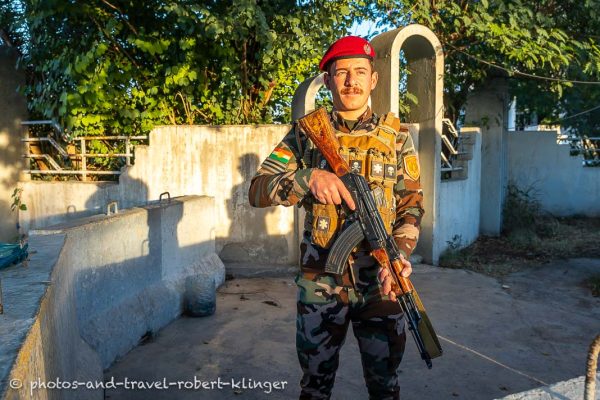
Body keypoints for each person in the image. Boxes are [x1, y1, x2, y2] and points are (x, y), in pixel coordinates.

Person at [248, 35, 424, 400]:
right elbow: (257, 190)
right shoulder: (306, 135)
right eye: (341, 73)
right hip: (321, 280)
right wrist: (306, 178)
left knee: (385, 385)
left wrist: (400, 255)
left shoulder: (397, 137)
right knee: (315, 385)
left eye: (360, 72)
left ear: (373, 79)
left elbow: (411, 205)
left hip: (381, 280)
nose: (351, 82)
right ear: (327, 80)